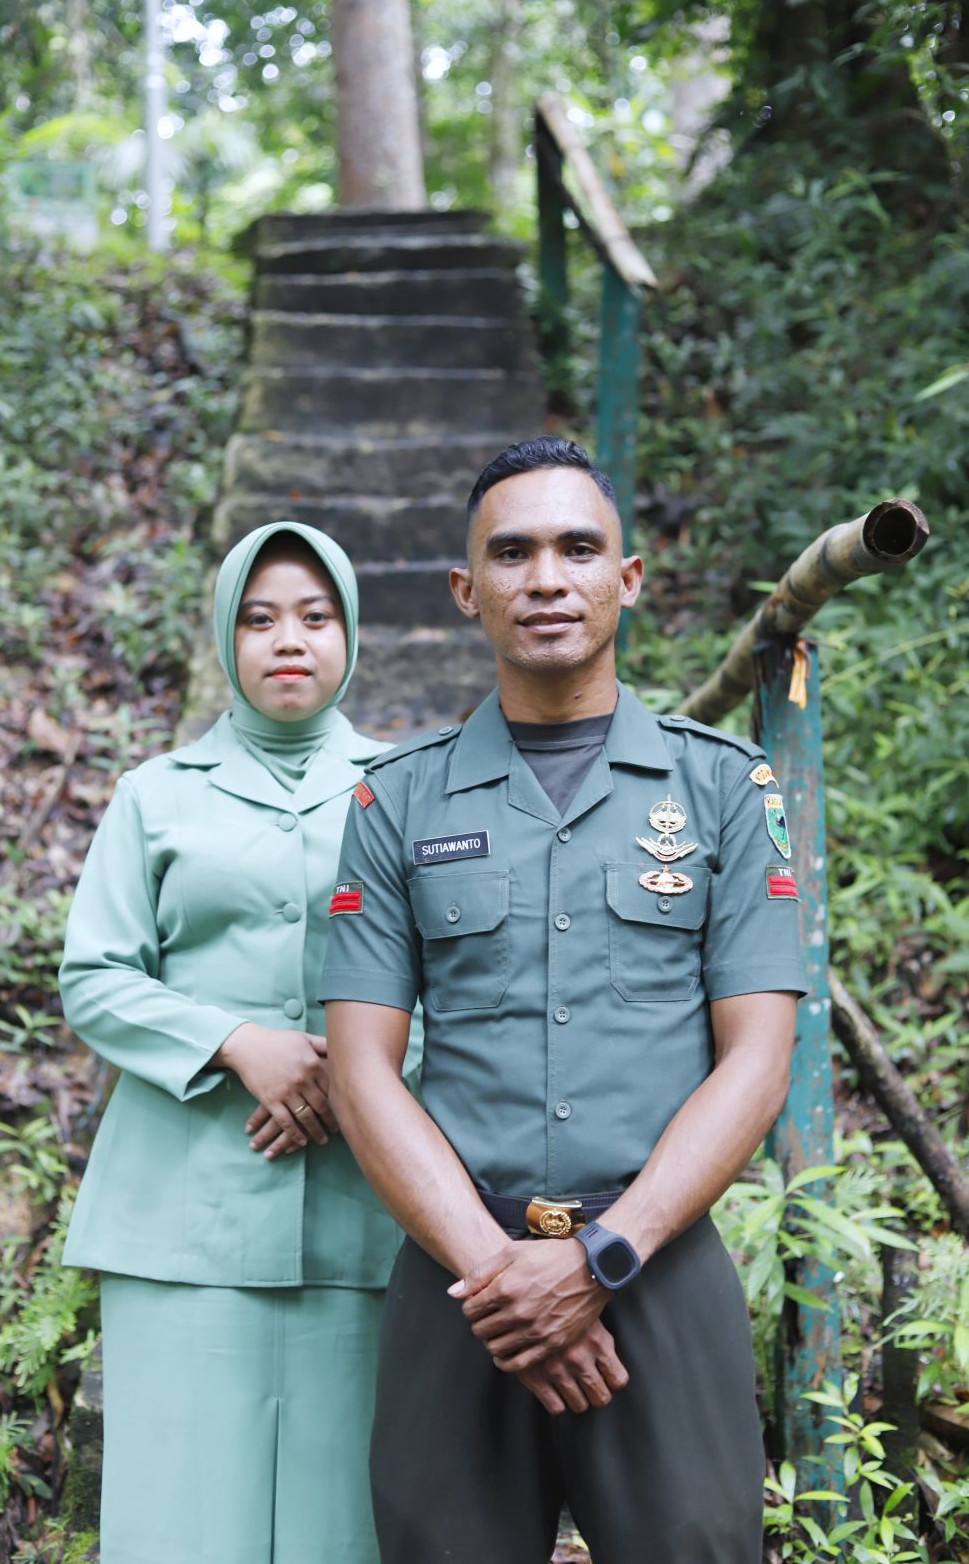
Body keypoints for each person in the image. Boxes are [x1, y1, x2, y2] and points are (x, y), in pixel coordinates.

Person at [320, 436, 808, 1564]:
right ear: (465, 589)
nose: (546, 577)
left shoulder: (723, 789)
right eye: (512, 552)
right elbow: (359, 1068)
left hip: (658, 1266)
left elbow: (757, 1059)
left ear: (626, 579)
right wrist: (501, 1278)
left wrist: (599, 1261)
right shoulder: (396, 802)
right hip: (459, 1278)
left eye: (578, 548)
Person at [59, 520, 417, 1564]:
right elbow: (95, 975)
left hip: (365, 1203)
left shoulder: (409, 789)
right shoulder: (155, 793)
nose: (287, 639)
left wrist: (354, 1075)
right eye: (259, 619)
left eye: (314, 616)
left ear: (350, 632)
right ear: (225, 635)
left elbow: (458, 976)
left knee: (343, 1520)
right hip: (182, 1208)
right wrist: (233, 1041)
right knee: (180, 1519)